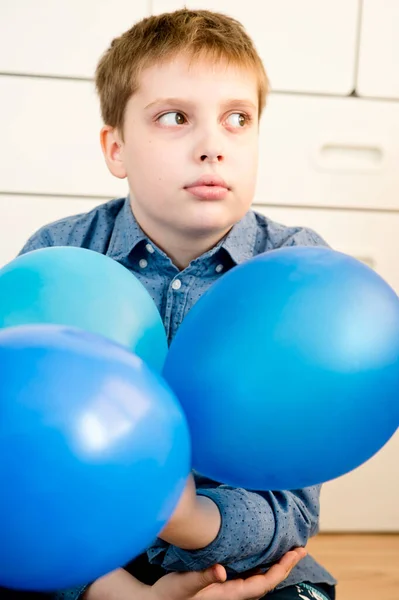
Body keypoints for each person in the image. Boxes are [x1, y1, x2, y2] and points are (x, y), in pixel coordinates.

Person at [15, 8, 337, 600]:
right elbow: (16, 462)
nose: (212, 145)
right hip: (76, 556)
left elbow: (294, 499)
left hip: (239, 564)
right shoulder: (57, 257)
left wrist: (188, 519)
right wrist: (106, 590)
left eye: (237, 118)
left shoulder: (299, 273)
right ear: (117, 149)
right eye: (174, 117)